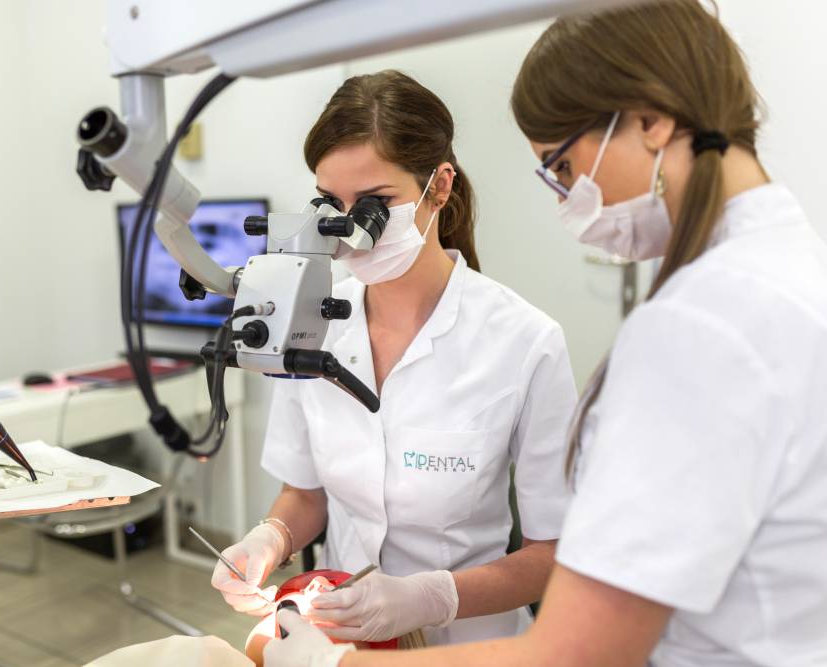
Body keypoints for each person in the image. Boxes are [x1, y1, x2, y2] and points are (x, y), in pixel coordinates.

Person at [262, 1, 827, 665]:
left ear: (650, 122)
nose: (566, 197)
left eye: (561, 166)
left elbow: (574, 648)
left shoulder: (696, 326)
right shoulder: (786, 270)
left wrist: (335, 662)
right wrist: (271, 541)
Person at [211, 70, 579, 647]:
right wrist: (270, 538)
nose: (350, 230)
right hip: (336, 639)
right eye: (331, 204)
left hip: (467, 646)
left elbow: (552, 556)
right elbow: (305, 494)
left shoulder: (525, 343)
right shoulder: (308, 323)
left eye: (376, 204)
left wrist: (433, 598)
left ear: (440, 186)